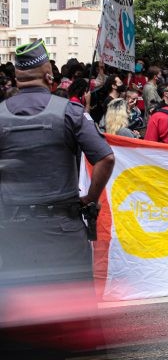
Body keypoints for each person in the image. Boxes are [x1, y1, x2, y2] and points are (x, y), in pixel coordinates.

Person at [0, 40, 115, 287]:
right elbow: (106, 158)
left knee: (17, 312)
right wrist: (91, 198)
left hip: (11, 231)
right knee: (73, 311)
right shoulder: (70, 112)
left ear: (18, 77)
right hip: (63, 229)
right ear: (49, 74)